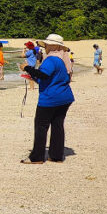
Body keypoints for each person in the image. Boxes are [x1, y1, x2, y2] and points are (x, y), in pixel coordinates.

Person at [21, 34, 75, 163]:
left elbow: (43, 75)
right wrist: (32, 76)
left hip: (51, 98)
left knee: (41, 126)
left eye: (47, 45)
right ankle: (56, 156)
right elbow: (53, 77)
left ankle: (36, 157)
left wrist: (27, 68)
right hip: (64, 97)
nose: (45, 48)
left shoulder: (51, 59)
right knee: (57, 126)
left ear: (52, 46)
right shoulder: (62, 59)